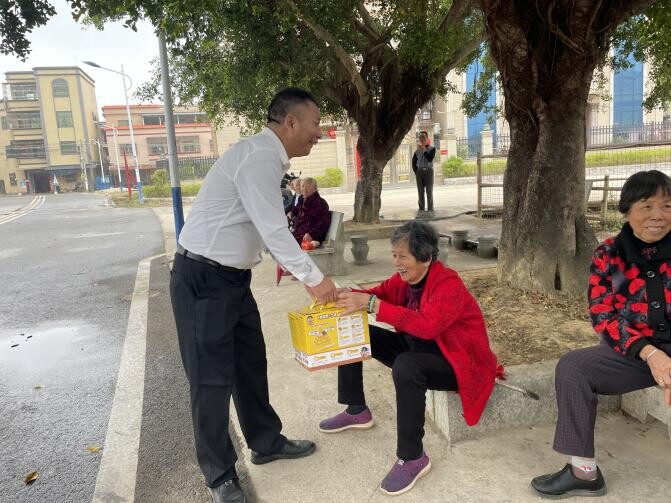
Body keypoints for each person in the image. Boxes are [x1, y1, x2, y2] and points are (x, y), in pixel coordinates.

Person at [170, 87, 338, 503]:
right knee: (210, 379)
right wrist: (315, 279)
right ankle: (220, 475)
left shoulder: (266, 159)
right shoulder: (259, 157)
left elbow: (262, 228)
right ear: (291, 122)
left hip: (232, 279)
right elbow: (273, 230)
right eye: (315, 123)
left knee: (249, 363)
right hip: (203, 278)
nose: (319, 133)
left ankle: (265, 441)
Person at [320, 221, 499, 496]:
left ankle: (413, 457)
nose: (396, 263)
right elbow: (376, 295)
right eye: (394, 255)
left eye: (402, 256)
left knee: (406, 366)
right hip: (418, 348)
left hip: (457, 362)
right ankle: (356, 410)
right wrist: (345, 297)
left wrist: (373, 305)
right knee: (356, 332)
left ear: (425, 258)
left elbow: (428, 326)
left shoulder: (448, 285)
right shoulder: (405, 280)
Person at [531, 170, 671, 499]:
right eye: (646, 206)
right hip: (636, 354)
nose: (658, 215)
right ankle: (583, 473)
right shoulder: (608, 254)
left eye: (667, 206)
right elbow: (603, 314)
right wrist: (651, 354)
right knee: (573, 368)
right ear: (627, 211)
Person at [288, 177, 331, 245]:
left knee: (285, 243)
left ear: (315, 188)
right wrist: (292, 212)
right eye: (302, 186)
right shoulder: (302, 199)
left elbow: (323, 222)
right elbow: (297, 208)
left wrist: (311, 234)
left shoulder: (320, 203)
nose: (304, 189)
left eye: (308, 186)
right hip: (299, 233)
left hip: (311, 236)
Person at [412, 131, 436, 214]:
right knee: (420, 191)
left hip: (429, 171)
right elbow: (413, 163)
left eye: (423, 137)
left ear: (427, 138)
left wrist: (424, 150)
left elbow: (429, 159)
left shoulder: (432, 149)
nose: (422, 139)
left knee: (429, 191)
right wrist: (417, 172)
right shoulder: (416, 151)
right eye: (420, 137)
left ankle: (430, 208)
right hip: (419, 172)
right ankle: (421, 208)